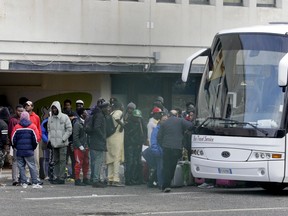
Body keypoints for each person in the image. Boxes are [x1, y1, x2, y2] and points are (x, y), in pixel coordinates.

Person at [157, 110, 193, 193]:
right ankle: (168, 184)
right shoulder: (180, 121)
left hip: (166, 147)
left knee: (166, 166)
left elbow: (159, 137)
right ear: (177, 115)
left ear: (169, 115)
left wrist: (163, 145)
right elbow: (191, 126)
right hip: (177, 147)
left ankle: (166, 185)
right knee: (172, 166)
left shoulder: (164, 123)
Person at [11, 111, 42, 189]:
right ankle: (34, 182)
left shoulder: (16, 127)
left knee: (21, 167)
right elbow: (36, 139)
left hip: (20, 151)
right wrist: (33, 147)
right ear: (28, 117)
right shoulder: (32, 126)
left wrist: (16, 147)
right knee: (32, 166)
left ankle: (23, 182)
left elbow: (12, 139)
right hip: (29, 151)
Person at [86, 98, 109, 188]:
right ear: (103, 108)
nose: (109, 109)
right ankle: (96, 180)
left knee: (94, 162)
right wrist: (103, 137)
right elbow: (97, 128)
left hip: (93, 142)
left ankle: (94, 179)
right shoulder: (100, 115)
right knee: (98, 162)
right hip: (97, 142)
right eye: (107, 108)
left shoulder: (96, 114)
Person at [47, 101, 72, 184]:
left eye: (55, 108)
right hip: (54, 144)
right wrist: (49, 140)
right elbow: (49, 130)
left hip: (63, 143)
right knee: (56, 161)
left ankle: (61, 178)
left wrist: (63, 139)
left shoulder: (65, 117)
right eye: (53, 108)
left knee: (62, 161)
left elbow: (69, 130)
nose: (54, 109)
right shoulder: (50, 119)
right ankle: (56, 176)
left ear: (59, 108)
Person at [124, 109, 147, 185]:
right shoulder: (128, 123)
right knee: (130, 162)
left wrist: (142, 141)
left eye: (138, 117)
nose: (137, 119)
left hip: (138, 145)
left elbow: (143, 132)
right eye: (136, 117)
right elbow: (127, 135)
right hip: (130, 145)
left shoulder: (140, 122)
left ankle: (135, 178)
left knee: (137, 162)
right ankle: (128, 179)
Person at [106, 100, 125, 187]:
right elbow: (116, 118)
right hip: (116, 139)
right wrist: (123, 125)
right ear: (119, 106)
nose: (123, 107)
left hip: (109, 138)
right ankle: (116, 179)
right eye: (122, 105)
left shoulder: (111, 113)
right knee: (116, 159)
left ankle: (109, 178)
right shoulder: (118, 112)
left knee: (110, 159)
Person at [73, 108, 90, 186]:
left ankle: (85, 178)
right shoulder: (77, 124)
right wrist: (81, 147)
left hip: (86, 146)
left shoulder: (86, 122)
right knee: (78, 163)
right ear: (81, 114)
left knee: (86, 163)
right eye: (85, 112)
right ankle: (77, 179)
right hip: (79, 147)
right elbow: (75, 137)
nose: (86, 113)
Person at [8, 104, 24, 186]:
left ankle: (22, 178)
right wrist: (12, 143)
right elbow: (11, 133)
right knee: (15, 161)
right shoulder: (12, 120)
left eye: (22, 111)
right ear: (15, 111)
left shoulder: (24, 119)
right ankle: (15, 179)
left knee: (22, 162)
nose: (20, 112)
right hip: (15, 144)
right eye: (19, 111)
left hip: (23, 144)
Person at [24, 101, 42, 174]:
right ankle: (27, 177)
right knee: (25, 159)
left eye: (29, 105)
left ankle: (36, 176)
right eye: (26, 105)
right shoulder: (23, 116)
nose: (27, 106)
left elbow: (38, 128)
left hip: (34, 141)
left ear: (32, 107)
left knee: (35, 160)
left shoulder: (36, 117)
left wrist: (38, 138)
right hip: (25, 141)